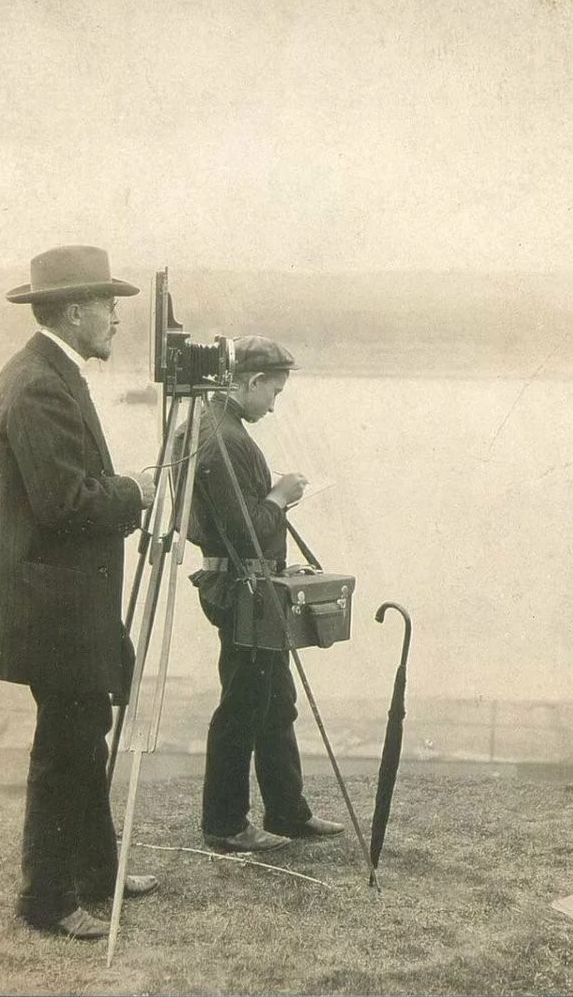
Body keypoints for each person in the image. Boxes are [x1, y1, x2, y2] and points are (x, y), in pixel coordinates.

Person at [0, 245, 159, 939]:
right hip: (51, 605)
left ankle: (94, 876)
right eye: (109, 306)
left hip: (61, 599)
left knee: (83, 737)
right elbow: (64, 503)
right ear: (76, 311)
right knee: (66, 745)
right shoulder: (40, 384)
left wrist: (121, 489)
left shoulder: (53, 372)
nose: (116, 319)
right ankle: (45, 901)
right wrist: (135, 490)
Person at [185, 336, 344, 853]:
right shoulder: (225, 438)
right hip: (244, 590)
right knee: (244, 703)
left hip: (245, 585)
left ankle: (288, 812)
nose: (274, 404)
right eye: (273, 392)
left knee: (276, 701)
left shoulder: (212, 426)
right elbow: (248, 529)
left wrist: (266, 497)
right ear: (252, 382)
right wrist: (279, 497)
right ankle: (226, 824)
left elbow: (214, 519)